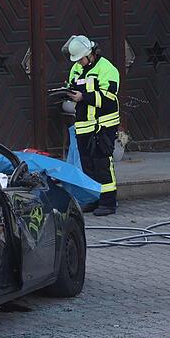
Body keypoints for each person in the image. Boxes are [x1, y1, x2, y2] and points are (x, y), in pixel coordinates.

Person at [63, 35, 120, 216]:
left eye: (81, 59)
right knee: (88, 165)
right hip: (84, 125)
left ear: (91, 54)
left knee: (102, 163)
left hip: (103, 125)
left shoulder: (107, 69)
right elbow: (71, 86)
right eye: (77, 60)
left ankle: (108, 203)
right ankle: (94, 200)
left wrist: (83, 97)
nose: (79, 63)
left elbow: (109, 97)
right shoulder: (77, 68)